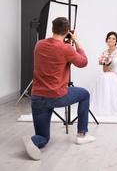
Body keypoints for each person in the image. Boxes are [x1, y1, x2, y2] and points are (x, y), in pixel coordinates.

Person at [23, 17, 95, 161]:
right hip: (57, 96)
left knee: (43, 137)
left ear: (52, 29)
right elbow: (83, 62)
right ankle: (82, 134)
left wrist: (67, 44)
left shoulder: (39, 45)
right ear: (67, 32)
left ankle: (33, 140)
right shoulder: (66, 48)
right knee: (85, 94)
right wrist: (76, 42)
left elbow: (54, 54)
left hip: (37, 97)